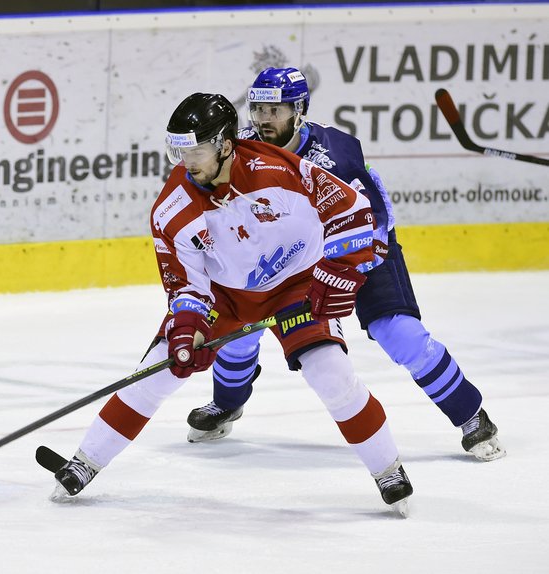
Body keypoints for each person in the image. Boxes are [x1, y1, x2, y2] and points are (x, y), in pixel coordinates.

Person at [51, 92, 413, 512]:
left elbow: (352, 210)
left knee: (330, 372)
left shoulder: (279, 169)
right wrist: (188, 326)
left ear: (225, 144)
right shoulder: (172, 210)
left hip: (297, 285)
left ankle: (388, 469)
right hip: (227, 297)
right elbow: (186, 286)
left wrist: (340, 272)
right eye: (179, 150)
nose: (187, 161)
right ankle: (84, 462)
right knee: (157, 370)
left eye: (197, 149)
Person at [186, 67, 504, 462]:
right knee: (237, 327)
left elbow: (375, 218)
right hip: (294, 257)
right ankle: (226, 403)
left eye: (276, 110)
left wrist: (345, 273)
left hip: (361, 248)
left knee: (399, 333)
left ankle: (471, 415)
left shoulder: (334, 154)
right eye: (258, 110)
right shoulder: (243, 148)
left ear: (299, 109)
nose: (264, 120)